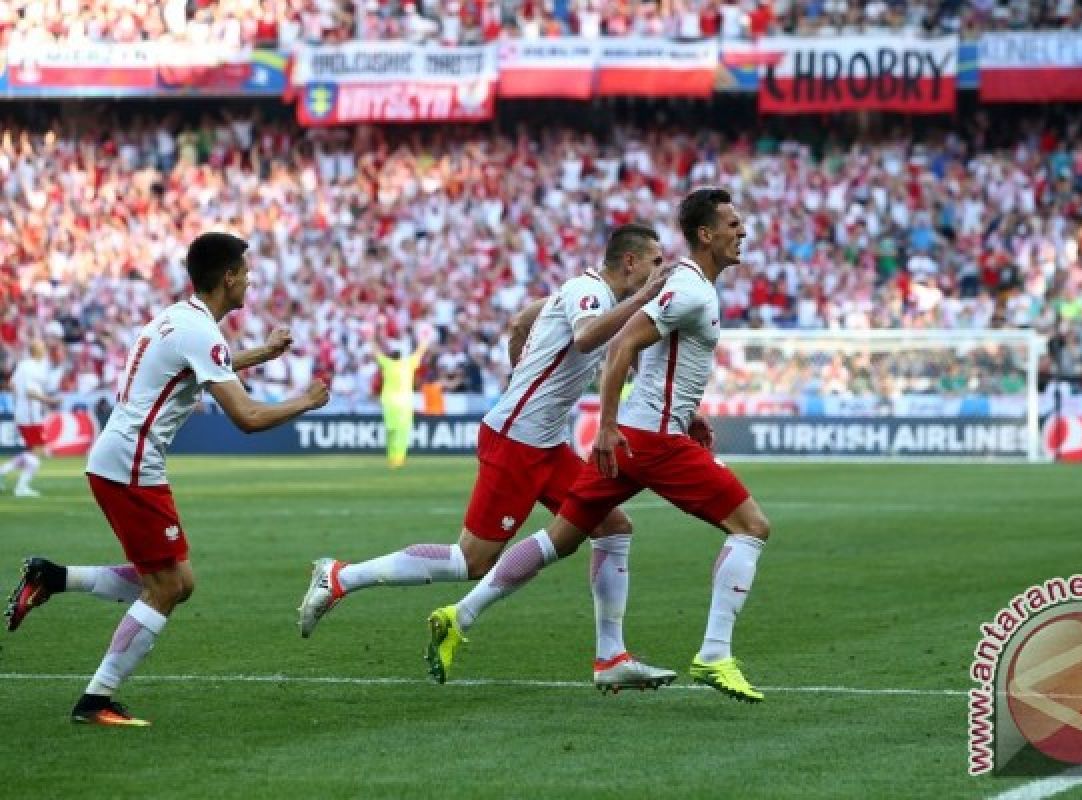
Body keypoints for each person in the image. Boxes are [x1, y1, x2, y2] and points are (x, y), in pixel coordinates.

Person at [298, 224, 675, 693]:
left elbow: (519, 322)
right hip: (516, 442)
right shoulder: (588, 291)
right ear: (631, 263)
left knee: (612, 526)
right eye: (656, 261)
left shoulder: (578, 291)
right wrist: (641, 302)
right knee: (471, 560)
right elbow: (583, 339)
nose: (662, 270)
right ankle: (340, 576)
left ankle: (610, 656)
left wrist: (523, 377)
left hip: (546, 443)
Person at [427, 188, 771, 702]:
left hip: (640, 435)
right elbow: (623, 344)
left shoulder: (687, 284)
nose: (741, 232)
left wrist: (685, 412)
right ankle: (715, 654)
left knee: (563, 539)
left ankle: (461, 615)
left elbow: (645, 356)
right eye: (733, 224)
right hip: (652, 441)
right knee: (752, 527)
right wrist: (608, 426)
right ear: (706, 234)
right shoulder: (691, 289)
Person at [4, 232, 330, 726]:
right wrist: (305, 402)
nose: (249, 279)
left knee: (179, 581)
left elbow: (201, 366)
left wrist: (261, 355)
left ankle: (51, 577)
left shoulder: (179, 318)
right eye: (244, 271)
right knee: (166, 588)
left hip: (121, 460)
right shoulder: (200, 332)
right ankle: (96, 700)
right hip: (131, 466)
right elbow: (246, 417)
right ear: (228, 277)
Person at [0, 339, 59, 497]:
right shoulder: (33, 368)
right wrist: (50, 401)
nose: (45, 349)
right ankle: (21, 488)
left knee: (31, 450)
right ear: (37, 351)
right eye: (42, 347)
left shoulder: (23, 365)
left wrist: (18, 400)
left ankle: (3, 472)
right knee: (36, 451)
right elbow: (30, 392)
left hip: (23, 412)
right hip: (30, 415)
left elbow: (12, 385)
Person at [377, 337, 428, 468]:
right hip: (404, 403)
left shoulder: (388, 363)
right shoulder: (408, 363)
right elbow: (420, 351)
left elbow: (376, 352)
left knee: (391, 431)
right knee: (402, 432)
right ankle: (399, 458)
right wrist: (424, 338)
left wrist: (370, 338)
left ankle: (392, 458)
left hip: (389, 402)